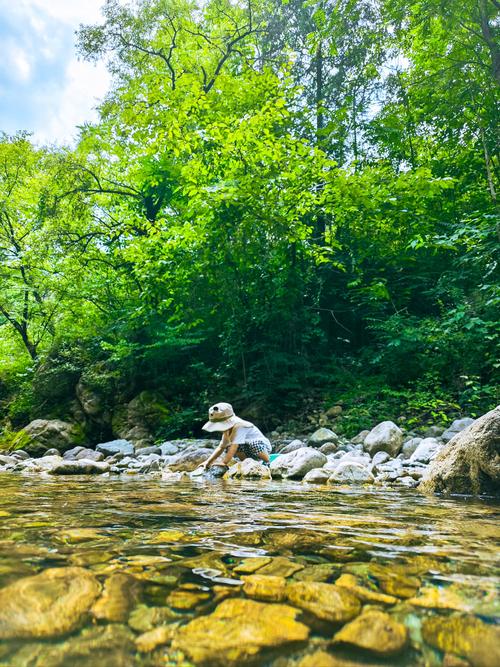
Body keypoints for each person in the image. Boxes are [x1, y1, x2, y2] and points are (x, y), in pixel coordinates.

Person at [199, 402, 272, 470]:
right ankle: (246, 463)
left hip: (263, 448)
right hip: (250, 452)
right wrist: (208, 462)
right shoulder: (227, 431)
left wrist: (224, 462)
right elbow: (221, 447)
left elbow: (234, 447)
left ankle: (267, 462)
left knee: (253, 443)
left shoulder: (240, 426)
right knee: (232, 446)